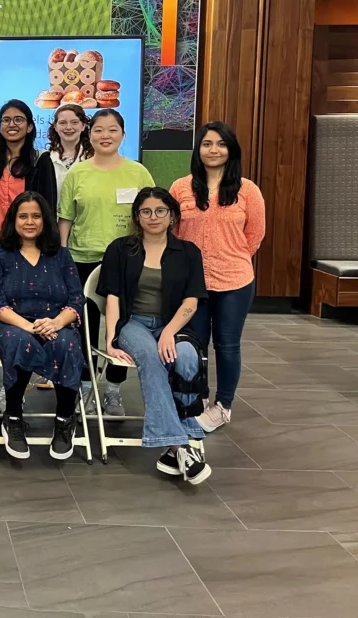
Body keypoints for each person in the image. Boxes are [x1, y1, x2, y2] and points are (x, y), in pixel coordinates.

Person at [97, 187, 211, 485]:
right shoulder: (120, 249)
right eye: (146, 211)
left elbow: (191, 301)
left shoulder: (188, 252)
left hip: (172, 324)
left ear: (172, 215)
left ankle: (175, 450)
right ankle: (181, 444)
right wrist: (110, 338)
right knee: (150, 356)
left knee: (186, 357)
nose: (153, 217)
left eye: (160, 210)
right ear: (137, 216)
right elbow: (112, 297)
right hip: (132, 323)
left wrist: (168, 333)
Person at [57, 108, 154, 417]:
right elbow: (65, 219)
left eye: (112, 130)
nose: (105, 136)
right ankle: (85, 386)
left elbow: (151, 216)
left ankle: (113, 389)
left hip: (127, 262)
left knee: (122, 328)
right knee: (83, 327)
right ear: (90, 133)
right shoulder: (78, 173)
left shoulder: (138, 172)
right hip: (82, 259)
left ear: (123, 135)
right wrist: (62, 257)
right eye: (98, 130)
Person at [171, 122, 265, 433]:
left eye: (221, 144)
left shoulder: (248, 190)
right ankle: (197, 400)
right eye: (207, 144)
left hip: (234, 279)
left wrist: (229, 256)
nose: (214, 150)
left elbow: (254, 235)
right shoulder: (180, 188)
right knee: (194, 345)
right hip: (191, 282)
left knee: (227, 345)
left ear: (231, 150)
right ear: (198, 150)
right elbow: (173, 232)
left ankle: (223, 406)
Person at [0, 192, 85, 461]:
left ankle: (65, 419)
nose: (30, 222)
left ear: (45, 220)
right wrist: (29, 327)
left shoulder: (61, 255)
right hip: (11, 325)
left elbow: (76, 298)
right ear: (13, 220)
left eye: (36, 216)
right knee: (19, 341)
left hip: (55, 323)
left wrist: (56, 322)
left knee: (67, 342)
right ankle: (13, 417)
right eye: (23, 216)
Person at [0, 99, 58, 258]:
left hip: (31, 249)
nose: (11, 124)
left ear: (30, 127)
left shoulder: (40, 161)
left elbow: (48, 208)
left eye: (18, 119)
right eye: (6, 120)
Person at [48, 102, 93, 200]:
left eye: (74, 122)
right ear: (55, 126)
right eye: (62, 123)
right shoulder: (46, 158)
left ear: (83, 125)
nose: (68, 127)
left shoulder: (93, 157)